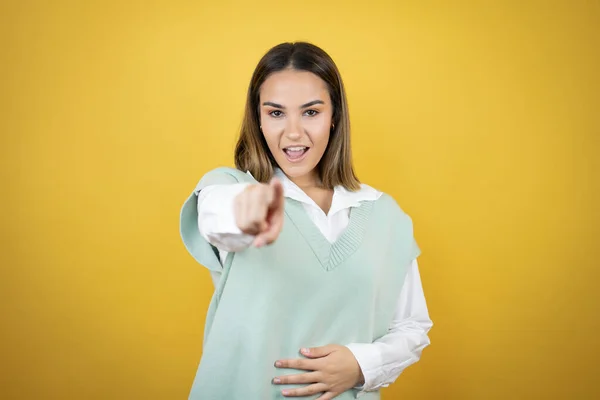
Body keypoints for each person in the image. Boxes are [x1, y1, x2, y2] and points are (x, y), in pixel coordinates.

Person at [180, 42, 432, 400]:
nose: (294, 133)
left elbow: (411, 325)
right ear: (259, 119)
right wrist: (246, 212)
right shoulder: (229, 188)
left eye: (311, 112)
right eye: (276, 113)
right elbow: (219, 218)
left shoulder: (386, 216)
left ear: (335, 117)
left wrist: (362, 363)